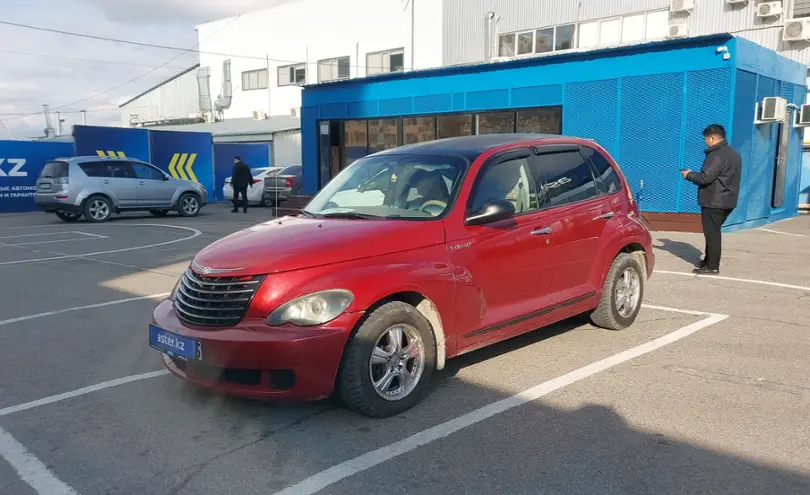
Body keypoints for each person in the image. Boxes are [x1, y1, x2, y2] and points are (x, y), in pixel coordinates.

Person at [680, 124, 741, 275]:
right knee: (713, 232)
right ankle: (708, 261)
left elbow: (705, 178)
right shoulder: (733, 154)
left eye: (706, 139)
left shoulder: (716, 155)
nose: (705, 142)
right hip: (727, 200)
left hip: (714, 201)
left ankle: (712, 266)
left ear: (712, 138)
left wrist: (688, 175)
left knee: (712, 234)